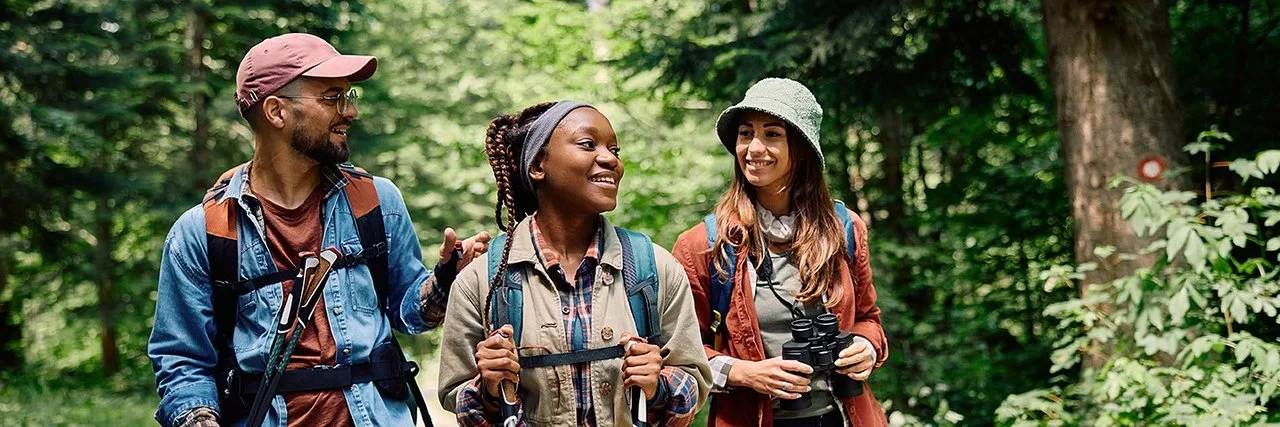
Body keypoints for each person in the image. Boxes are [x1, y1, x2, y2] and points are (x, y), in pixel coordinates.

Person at [148, 33, 490, 427]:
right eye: (331, 98)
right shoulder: (203, 232)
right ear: (276, 112)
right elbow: (182, 363)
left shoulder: (377, 201)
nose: (349, 112)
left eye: (349, 96)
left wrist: (447, 279)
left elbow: (408, 314)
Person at [437, 101, 711, 426]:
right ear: (539, 164)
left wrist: (659, 387)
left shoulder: (654, 268)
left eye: (614, 149)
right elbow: (458, 399)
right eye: (588, 144)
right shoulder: (483, 281)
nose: (611, 160)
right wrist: (490, 389)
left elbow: (693, 382)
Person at [670, 78, 889, 427]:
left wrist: (867, 346)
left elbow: (868, 318)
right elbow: (680, 352)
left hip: (846, 417)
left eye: (772, 134)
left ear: (801, 148)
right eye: (746, 134)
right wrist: (745, 372)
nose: (754, 148)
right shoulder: (703, 246)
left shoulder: (844, 229)